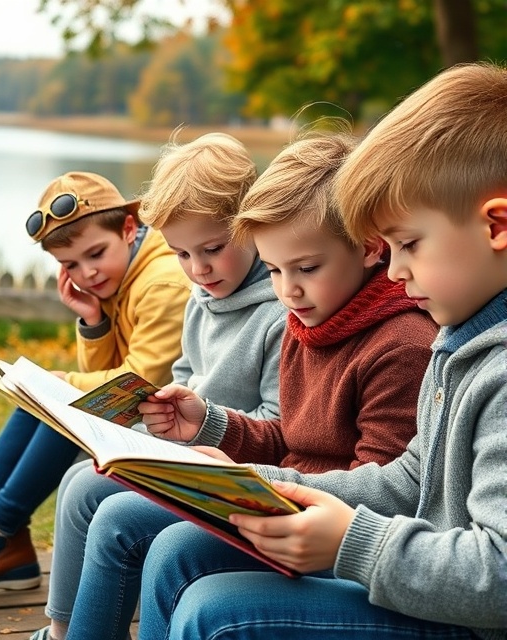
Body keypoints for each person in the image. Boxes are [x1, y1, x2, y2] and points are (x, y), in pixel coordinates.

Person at [137, 63, 507, 640]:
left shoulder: (474, 358)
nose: (397, 268)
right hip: (413, 571)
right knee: (182, 554)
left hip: (465, 616)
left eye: (407, 244)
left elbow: (498, 576)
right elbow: (410, 478)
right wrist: (248, 479)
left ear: (497, 226)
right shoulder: (457, 335)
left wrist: (352, 544)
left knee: (216, 612)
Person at [34, 130, 438, 640]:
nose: (288, 289)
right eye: (274, 270)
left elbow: (384, 486)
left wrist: (256, 479)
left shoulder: (400, 342)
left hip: (327, 527)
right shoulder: (307, 317)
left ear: (368, 249)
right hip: (281, 498)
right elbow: (291, 437)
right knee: (144, 529)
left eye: (306, 268)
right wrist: (208, 423)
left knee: (132, 527)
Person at [30, 132, 287, 640]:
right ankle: (62, 628)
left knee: (112, 512)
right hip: (184, 448)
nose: (199, 268)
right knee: (81, 481)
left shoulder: (277, 314)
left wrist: (198, 424)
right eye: (182, 254)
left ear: (253, 226)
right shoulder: (201, 295)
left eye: (212, 249)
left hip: (231, 465)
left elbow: (277, 426)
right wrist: (162, 412)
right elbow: (187, 373)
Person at [0, 171, 191, 592]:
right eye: (70, 265)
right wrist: (93, 319)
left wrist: (63, 382)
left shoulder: (161, 281)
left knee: (67, 399)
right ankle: (4, 537)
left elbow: (137, 381)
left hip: (176, 419)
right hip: (142, 410)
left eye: (95, 254)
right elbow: (112, 373)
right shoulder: (121, 274)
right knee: (45, 395)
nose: (87, 273)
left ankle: (2, 531)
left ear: (128, 227)